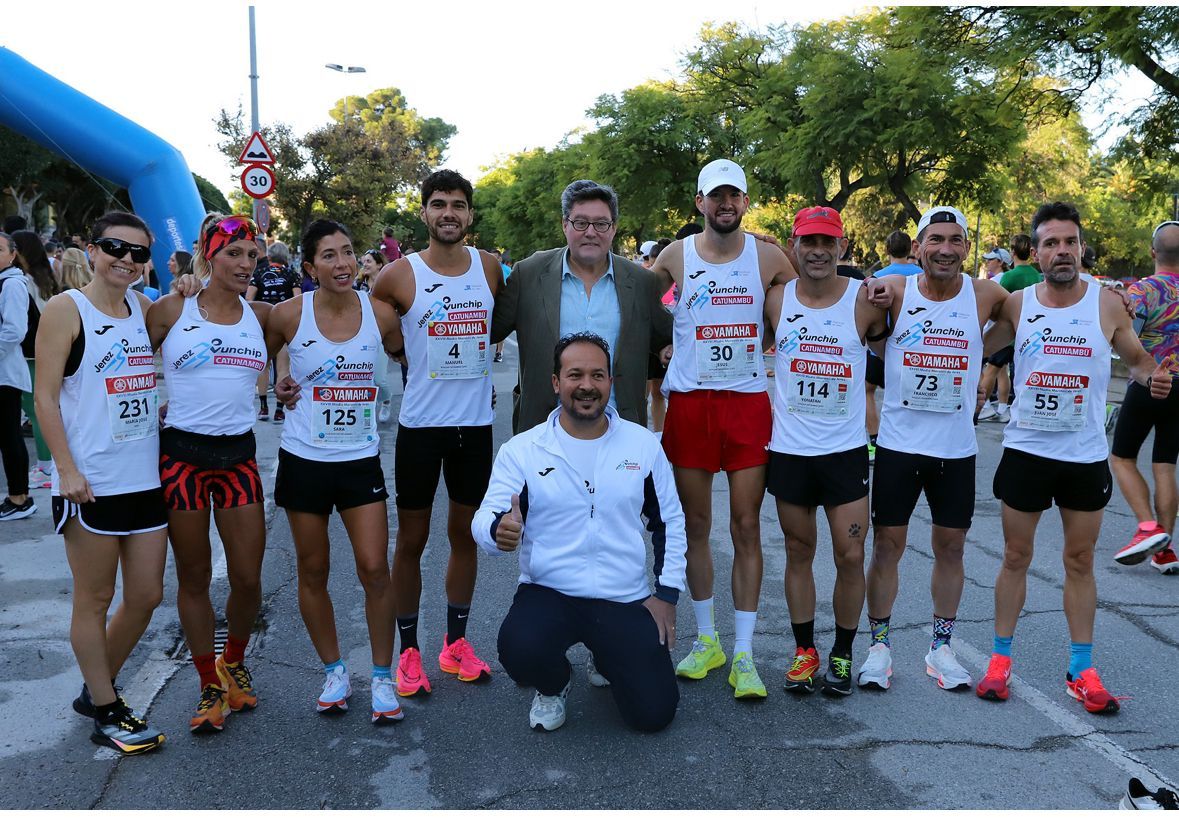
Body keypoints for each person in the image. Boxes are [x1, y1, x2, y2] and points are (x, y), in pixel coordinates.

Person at [976, 202, 1172, 711]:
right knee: (1015, 557)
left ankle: (1080, 668)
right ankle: (1000, 660)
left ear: (1081, 248)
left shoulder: (1107, 304)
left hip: (1083, 456)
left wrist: (1156, 374)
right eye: (1050, 243)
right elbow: (976, 343)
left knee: (1080, 560)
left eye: (1069, 242)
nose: (1061, 251)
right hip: (1026, 451)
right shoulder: (1017, 304)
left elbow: (1136, 358)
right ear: (1036, 251)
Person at [472, 332, 687, 732]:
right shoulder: (523, 450)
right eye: (574, 375)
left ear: (610, 382)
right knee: (519, 649)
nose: (586, 386)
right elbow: (488, 515)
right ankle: (555, 684)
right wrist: (496, 529)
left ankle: (605, 656)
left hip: (623, 596)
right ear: (556, 382)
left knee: (653, 715)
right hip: (550, 590)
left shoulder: (641, 446)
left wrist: (666, 595)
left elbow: (669, 522)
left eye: (597, 375)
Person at [649, 158, 796, 698]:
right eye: (716, 196)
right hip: (690, 404)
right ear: (700, 203)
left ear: (745, 203)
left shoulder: (769, 256)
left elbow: (807, 304)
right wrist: (668, 342)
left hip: (746, 405)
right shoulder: (675, 256)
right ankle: (707, 638)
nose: (726, 204)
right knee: (694, 526)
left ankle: (744, 653)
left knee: (746, 526)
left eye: (734, 196)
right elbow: (655, 305)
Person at [858, 206, 1008, 692]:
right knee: (886, 547)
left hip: (956, 449)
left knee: (952, 548)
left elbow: (1043, 307)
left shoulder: (985, 293)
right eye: (935, 240)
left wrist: (1108, 297)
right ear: (918, 247)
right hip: (900, 446)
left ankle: (940, 647)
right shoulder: (894, 291)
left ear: (967, 248)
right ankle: (879, 646)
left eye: (955, 240)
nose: (946, 249)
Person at [34, 211, 167, 754]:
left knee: (145, 596)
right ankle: (108, 707)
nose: (127, 260)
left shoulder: (144, 307)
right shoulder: (67, 310)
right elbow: (44, 398)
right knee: (94, 599)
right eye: (116, 247)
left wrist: (185, 283)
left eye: (138, 253)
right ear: (92, 249)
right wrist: (66, 470)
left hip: (143, 479)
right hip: (90, 482)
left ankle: (97, 688)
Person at [267, 219, 405, 723]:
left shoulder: (381, 314)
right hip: (303, 459)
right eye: (329, 256)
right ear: (309, 267)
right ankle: (334, 670)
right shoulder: (287, 315)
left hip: (359, 460)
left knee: (374, 567)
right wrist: (278, 381)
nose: (342, 263)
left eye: (348, 252)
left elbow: (408, 354)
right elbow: (263, 355)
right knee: (314, 569)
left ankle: (383, 676)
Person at [371, 169, 502, 697]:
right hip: (421, 427)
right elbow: (375, 330)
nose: (449, 213)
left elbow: (499, 327)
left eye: (458, 205)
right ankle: (408, 651)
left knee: (465, 536)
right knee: (413, 540)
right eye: (439, 204)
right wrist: (405, 358)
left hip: (474, 427)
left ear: (469, 215)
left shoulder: (490, 269)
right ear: (424, 212)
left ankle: (455, 644)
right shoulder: (398, 275)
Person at [146, 214, 271, 733]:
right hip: (182, 460)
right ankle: (207, 684)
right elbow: (127, 361)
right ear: (209, 255)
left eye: (251, 255)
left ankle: (234, 662)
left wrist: (283, 386)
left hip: (239, 458)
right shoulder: (173, 308)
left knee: (247, 578)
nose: (245, 264)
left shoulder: (261, 315)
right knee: (194, 577)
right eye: (234, 254)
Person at [768, 207, 889, 696]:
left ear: (842, 248)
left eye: (828, 242)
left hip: (844, 452)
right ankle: (804, 652)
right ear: (793, 246)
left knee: (851, 553)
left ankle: (842, 652)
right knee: (798, 551)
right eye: (808, 242)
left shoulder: (865, 302)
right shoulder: (775, 300)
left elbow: (915, 328)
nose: (818, 251)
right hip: (791, 451)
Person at [490, 179, 673, 434]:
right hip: (543, 431)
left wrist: (669, 347)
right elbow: (488, 330)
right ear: (565, 224)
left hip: (621, 432)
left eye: (601, 223)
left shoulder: (641, 282)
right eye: (580, 222)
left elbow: (667, 337)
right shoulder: (529, 274)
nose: (590, 232)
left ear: (614, 228)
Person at [1110, 220, 1179, 573]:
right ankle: (1165, 550)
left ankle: (1149, 529)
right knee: (1165, 465)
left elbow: (1127, 343)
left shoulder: (1142, 292)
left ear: (1153, 252)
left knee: (1122, 458)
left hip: (1149, 382)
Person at [865, 230, 922, 462]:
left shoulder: (879, 276)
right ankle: (912, 440)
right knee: (910, 395)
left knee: (867, 390)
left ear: (887, 250)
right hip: (914, 349)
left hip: (881, 346)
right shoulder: (922, 274)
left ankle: (875, 441)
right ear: (911, 249)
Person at [12, 230, 58, 485]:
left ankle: (46, 467)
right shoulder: (45, 276)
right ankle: (47, 466)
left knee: (36, 409)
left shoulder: (22, 279)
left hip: (31, 352)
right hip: (47, 347)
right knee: (41, 407)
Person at [979, 236, 1039, 423]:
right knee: (1002, 371)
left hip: (1009, 333)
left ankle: (983, 407)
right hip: (1029, 333)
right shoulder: (1036, 275)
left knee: (990, 370)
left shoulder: (1009, 276)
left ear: (1012, 253)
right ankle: (1003, 408)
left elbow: (998, 303)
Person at [0, 231, 34, 520]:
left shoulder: (12, 284)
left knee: (9, 434)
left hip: (5, 375)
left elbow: (14, 330)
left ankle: (20, 497)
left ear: (12, 254)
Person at [247, 241, 301, 422]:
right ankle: (279, 410)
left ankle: (263, 408)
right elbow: (298, 300)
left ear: (269, 256)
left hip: (263, 323)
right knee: (282, 367)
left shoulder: (259, 273)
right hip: (284, 323)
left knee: (263, 365)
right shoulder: (291, 274)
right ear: (285, 257)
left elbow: (248, 299)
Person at [359, 250, 394, 423]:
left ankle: (386, 400)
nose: (365, 264)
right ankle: (368, 410)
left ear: (379, 264)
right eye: (364, 261)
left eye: (369, 261)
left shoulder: (388, 285)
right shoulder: (359, 285)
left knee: (379, 379)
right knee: (365, 378)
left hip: (382, 335)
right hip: (362, 336)